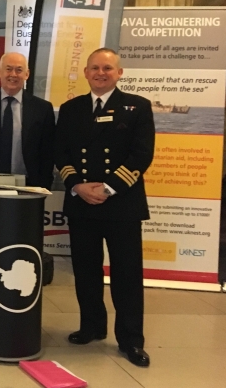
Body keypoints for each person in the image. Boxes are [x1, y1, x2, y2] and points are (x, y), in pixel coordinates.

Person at [54, 48, 154, 368]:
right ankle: (92, 327)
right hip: (82, 203)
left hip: (122, 204)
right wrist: (77, 186)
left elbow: (141, 155)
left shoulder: (137, 107)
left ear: (119, 73)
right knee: (86, 271)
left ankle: (130, 340)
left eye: (107, 68)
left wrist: (109, 187)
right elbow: (61, 153)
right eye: (95, 67)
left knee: (126, 275)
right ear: (85, 73)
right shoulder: (71, 109)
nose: (101, 72)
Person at [0, 52, 55, 188]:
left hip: (27, 186)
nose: (13, 74)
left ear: (27, 74)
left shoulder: (42, 109)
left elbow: (48, 152)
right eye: (8, 69)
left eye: (19, 70)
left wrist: (44, 185)